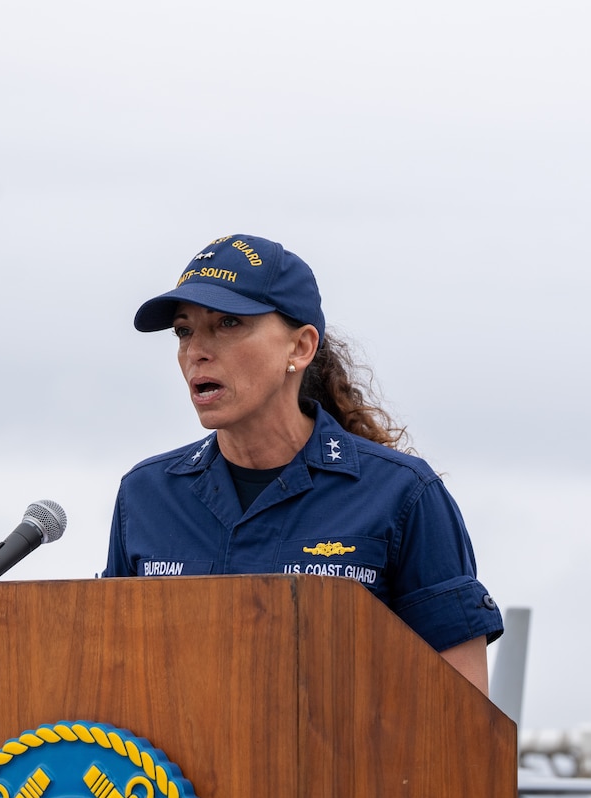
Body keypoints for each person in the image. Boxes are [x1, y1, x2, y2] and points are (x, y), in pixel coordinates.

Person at [103, 234, 502, 689]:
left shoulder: (404, 495)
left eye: (229, 323)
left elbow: (465, 719)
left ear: (300, 348)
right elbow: (111, 680)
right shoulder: (147, 494)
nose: (196, 351)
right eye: (184, 330)